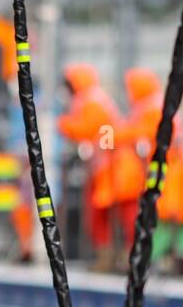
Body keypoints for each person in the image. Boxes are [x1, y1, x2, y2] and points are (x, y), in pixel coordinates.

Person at [121, 68, 183, 274]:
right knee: (171, 218)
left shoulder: (152, 107)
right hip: (173, 170)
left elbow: (134, 132)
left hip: (173, 172)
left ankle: (154, 258)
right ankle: (173, 258)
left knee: (166, 217)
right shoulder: (154, 103)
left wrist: (108, 134)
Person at [57, 63, 141, 271]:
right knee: (105, 216)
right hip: (110, 167)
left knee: (116, 215)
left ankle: (120, 258)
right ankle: (114, 258)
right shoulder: (92, 100)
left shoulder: (92, 102)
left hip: (116, 168)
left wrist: (62, 124)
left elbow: (88, 130)